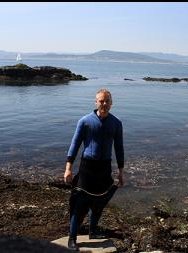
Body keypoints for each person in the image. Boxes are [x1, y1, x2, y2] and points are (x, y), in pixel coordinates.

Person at [63, 88, 124, 251]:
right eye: (101, 101)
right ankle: (72, 238)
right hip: (87, 168)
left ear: (111, 103)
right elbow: (74, 145)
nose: (104, 104)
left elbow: (119, 148)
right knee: (79, 204)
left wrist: (121, 171)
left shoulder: (116, 123)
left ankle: (93, 231)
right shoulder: (85, 121)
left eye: (107, 101)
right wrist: (68, 168)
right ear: (96, 102)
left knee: (99, 203)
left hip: (104, 168)